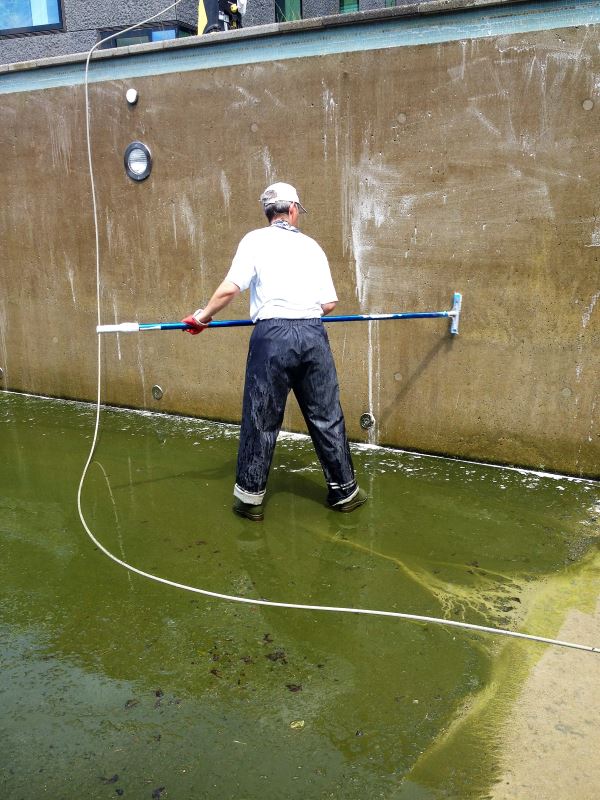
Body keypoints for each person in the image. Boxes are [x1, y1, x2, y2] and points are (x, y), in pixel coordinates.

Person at [182, 182, 367, 521]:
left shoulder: (255, 240)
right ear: (293, 210)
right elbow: (328, 303)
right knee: (327, 416)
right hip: (313, 335)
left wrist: (201, 317)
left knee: (262, 418)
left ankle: (250, 500)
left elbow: (230, 289)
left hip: (272, 337)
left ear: (268, 212)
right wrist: (301, 313)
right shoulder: (312, 246)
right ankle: (345, 492)